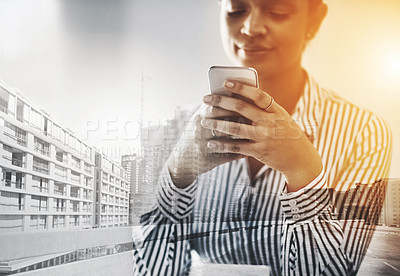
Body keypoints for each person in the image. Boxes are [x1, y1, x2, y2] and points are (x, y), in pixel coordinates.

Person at [133, 0, 392, 275]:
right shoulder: (179, 128)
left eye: (277, 11)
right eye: (236, 9)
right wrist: (177, 176)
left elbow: (337, 270)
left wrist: (304, 175)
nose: (250, 27)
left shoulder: (363, 132)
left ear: (314, 20)